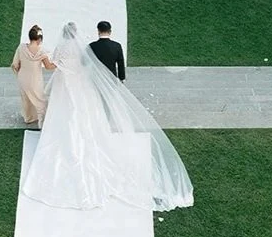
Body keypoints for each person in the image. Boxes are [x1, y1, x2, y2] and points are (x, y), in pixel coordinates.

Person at [19, 23, 192, 211]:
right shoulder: (83, 48)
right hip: (78, 82)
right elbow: (85, 64)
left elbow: (54, 65)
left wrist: (51, 61)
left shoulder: (61, 48)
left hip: (64, 82)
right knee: (83, 110)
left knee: (65, 110)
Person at [11, 25, 57, 129]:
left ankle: (28, 118)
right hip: (35, 80)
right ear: (40, 39)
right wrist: (59, 64)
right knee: (40, 99)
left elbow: (15, 64)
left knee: (25, 98)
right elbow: (49, 67)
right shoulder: (42, 52)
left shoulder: (21, 48)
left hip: (23, 79)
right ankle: (41, 120)